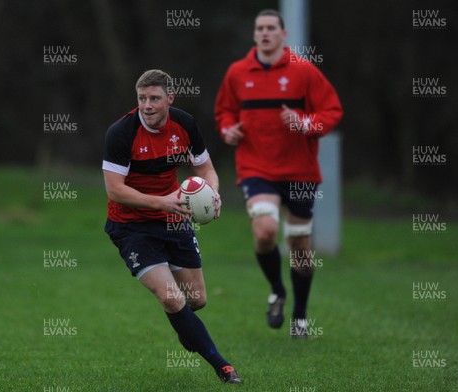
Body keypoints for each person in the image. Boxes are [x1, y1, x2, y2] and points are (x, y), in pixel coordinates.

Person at [103, 69, 241, 383]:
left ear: (170, 99)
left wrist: (213, 193)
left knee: (196, 300)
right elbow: (115, 190)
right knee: (171, 298)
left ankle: (186, 327)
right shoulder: (121, 133)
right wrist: (165, 201)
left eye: (154, 98)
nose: (147, 106)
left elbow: (206, 168)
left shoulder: (185, 124)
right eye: (142, 99)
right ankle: (222, 365)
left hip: (174, 221)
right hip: (131, 227)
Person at [215, 10, 343, 336]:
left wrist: (304, 124)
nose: (265, 33)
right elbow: (225, 111)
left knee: (299, 246)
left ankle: (300, 315)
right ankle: (277, 289)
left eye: (272, 28)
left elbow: (331, 111)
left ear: (283, 34)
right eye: (260, 28)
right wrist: (228, 130)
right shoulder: (238, 72)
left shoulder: (303, 71)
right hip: (256, 167)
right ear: (255, 34)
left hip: (300, 171)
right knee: (265, 231)